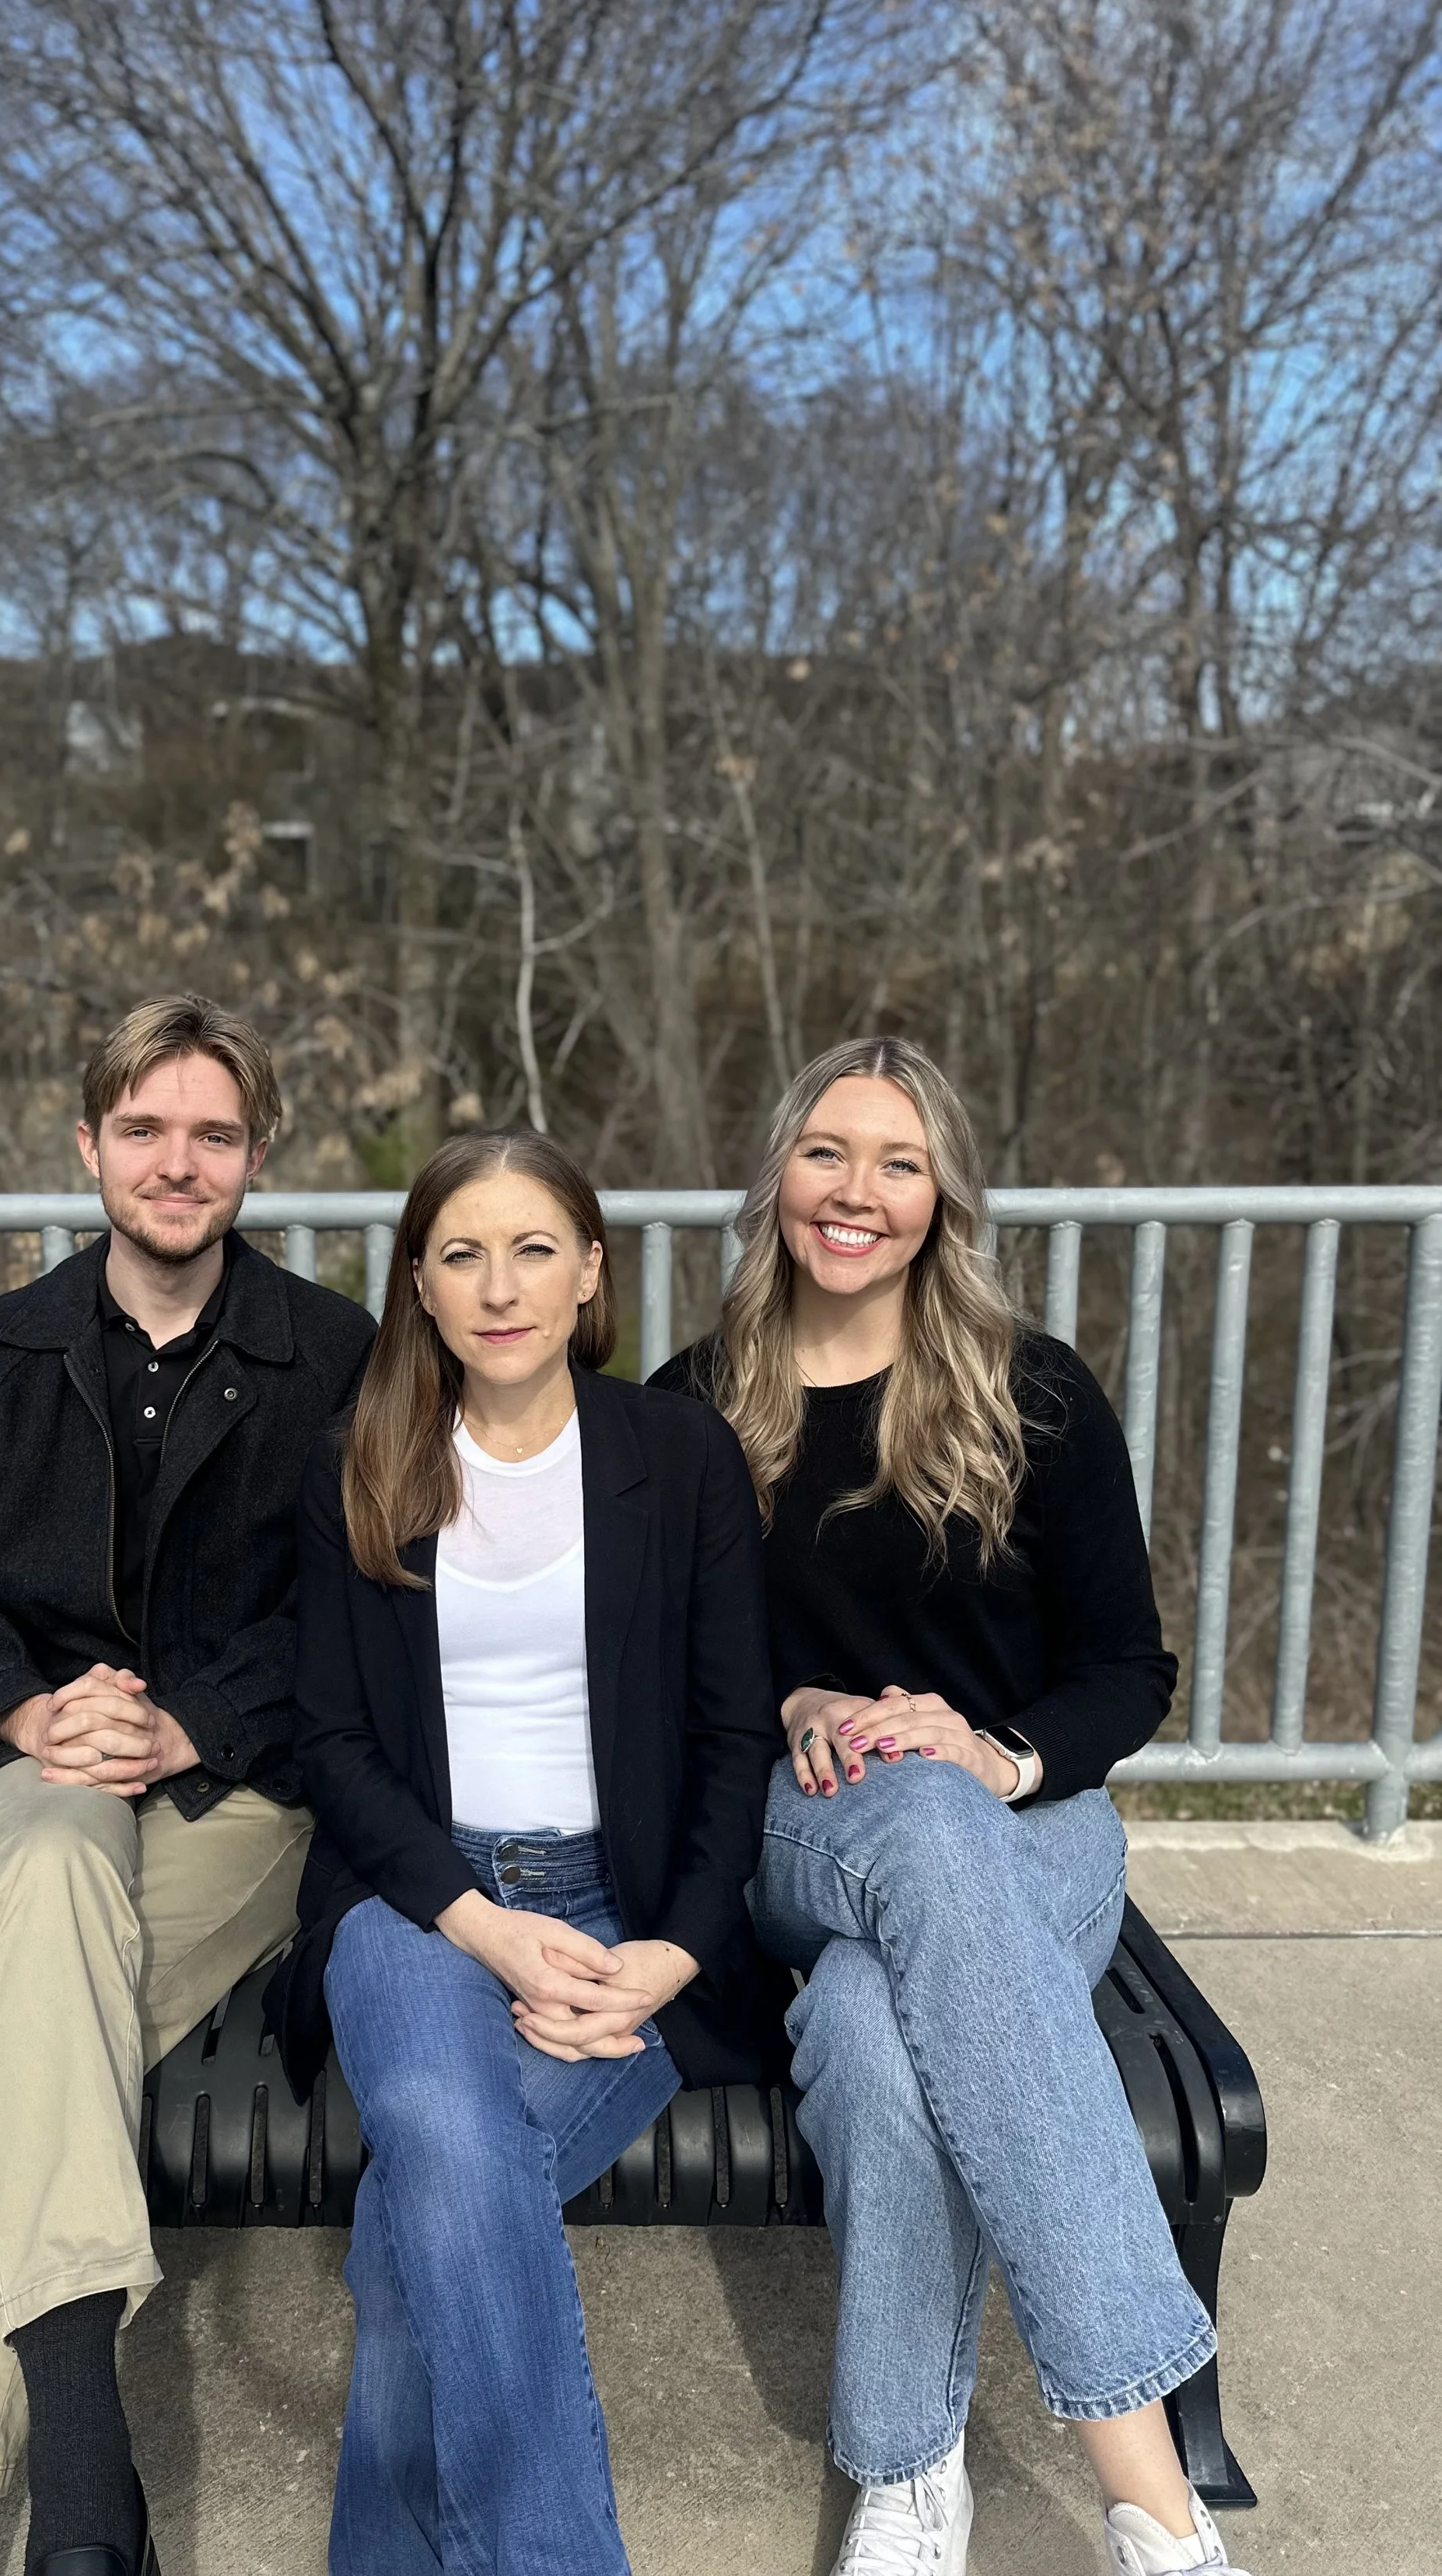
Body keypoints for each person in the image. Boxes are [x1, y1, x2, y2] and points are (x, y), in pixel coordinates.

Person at [652, 1036, 1255, 2576]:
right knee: (909, 1827)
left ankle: (909, 2481)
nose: (854, 1192)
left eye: (896, 1161)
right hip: (806, 1820)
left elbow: (1126, 1670)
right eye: (824, 1153)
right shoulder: (692, 1406)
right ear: (774, 1174)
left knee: (865, 2025)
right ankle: (1159, 2507)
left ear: (943, 1197)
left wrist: (998, 1755)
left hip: (1028, 1826)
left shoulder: (1032, 1394)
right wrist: (789, 1703)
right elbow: (655, 1676)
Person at [0, 995, 376, 2576]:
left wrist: (188, 1725)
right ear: (88, 1146)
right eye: (143, 1129)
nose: (176, 1161)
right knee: (65, 1859)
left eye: (212, 1132)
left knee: (31, 2030)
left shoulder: (327, 1355)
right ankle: (85, 2485)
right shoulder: (3, 1352)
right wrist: (26, 1708)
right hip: (38, 1774)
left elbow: (352, 1614)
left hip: (241, 1799)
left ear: (255, 1156)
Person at [264, 1128, 783, 2576]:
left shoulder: (677, 1458)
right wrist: (479, 1923)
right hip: (411, 1901)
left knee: (419, 2218)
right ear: (419, 1287)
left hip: (627, 1911)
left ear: (591, 1273)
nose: (501, 1286)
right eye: (462, 1254)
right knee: (441, 2130)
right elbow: (334, 1747)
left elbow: (736, 1737)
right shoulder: (361, 1464)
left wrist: (666, 1958)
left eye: (535, 1247)